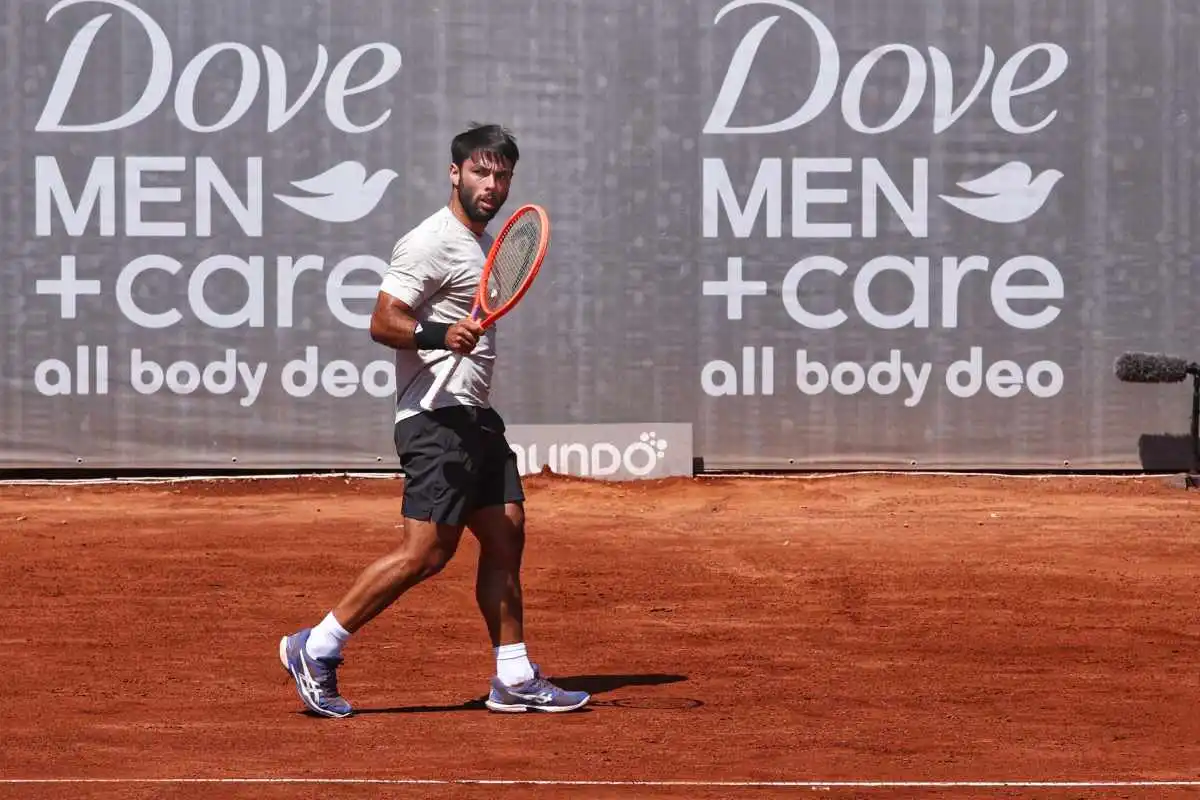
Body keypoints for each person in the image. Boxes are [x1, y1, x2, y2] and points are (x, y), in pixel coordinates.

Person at [279, 123, 589, 717]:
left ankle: (514, 674)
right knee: (425, 553)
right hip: (434, 420)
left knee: (505, 532)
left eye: (502, 175)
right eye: (480, 171)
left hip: (474, 418)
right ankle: (315, 647)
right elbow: (382, 321)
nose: (491, 184)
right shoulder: (431, 241)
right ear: (455, 173)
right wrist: (438, 333)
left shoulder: (482, 245)